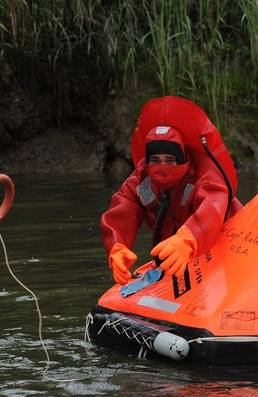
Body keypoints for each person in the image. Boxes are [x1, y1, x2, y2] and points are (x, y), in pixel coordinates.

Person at [101, 98, 245, 286]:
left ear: (183, 160)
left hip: (233, 247)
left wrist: (188, 239)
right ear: (147, 161)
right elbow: (122, 210)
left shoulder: (204, 177)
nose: (162, 167)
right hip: (180, 257)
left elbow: (212, 208)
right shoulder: (141, 180)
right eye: (156, 160)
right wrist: (117, 248)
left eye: (170, 160)